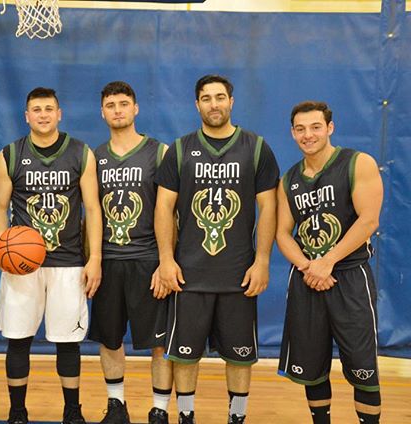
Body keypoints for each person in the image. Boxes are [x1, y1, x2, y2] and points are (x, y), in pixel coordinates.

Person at [155, 74, 280, 424]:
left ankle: (236, 417)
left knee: (240, 356)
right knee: (184, 355)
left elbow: (268, 207)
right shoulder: (180, 149)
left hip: (239, 274)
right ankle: (186, 416)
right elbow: (164, 207)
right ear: (197, 105)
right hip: (188, 274)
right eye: (207, 98)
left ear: (231, 101)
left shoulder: (255, 148)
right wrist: (166, 259)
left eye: (220, 97)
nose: (214, 104)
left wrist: (263, 260)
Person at [0, 87, 102, 424]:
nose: (42, 115)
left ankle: (72, 411)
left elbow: (93, 210)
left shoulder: (81, 153)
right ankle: (17, 411)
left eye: (48, 109)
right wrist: (2, 244)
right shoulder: (10, 154)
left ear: (59, 114)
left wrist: (94, 257)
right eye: (36, 109)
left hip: (68, 263)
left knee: (68, 343)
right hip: (23, 265)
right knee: (18, 339)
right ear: (26, 116)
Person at [276, 101, 383, 424]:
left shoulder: (358, 163)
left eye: (315, 127)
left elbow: (368, 221)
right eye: (300, 129)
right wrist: (310, 267)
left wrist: (328, 261)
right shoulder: (289, 179)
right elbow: (282, 233)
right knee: (312, 367)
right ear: (293, 133)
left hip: (349, 277)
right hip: (309, 280)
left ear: (330, 128)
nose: (308, 135)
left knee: (363, 368)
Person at [89, 81, 173, 424]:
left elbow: (172, 213)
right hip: (109, 261)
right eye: (111, 105)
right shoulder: (94, 157)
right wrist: (91, 260)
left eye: (124, 104)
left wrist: (167, 261)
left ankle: (159, 409)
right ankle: (116, 405)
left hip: (149, 260)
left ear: (136, 108)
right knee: (109, 340)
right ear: (103, 112)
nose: (118, 110)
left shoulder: (160, 152)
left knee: (158, 343)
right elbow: (90, 213)